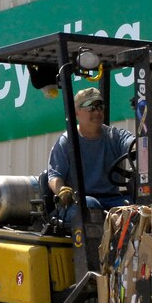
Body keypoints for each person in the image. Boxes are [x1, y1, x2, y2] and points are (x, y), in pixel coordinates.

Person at [47, 87, 135, 217]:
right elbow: (54, 176)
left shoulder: (115, 136)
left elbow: (134, 144)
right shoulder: (67, 141)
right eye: (91, 108)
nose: (97, 112)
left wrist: (140, 146)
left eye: (100, 107)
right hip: (80, 201)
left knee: (135, 212)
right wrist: (61, 191)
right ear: (76, 112)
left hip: (113, 200)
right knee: (90, 207)